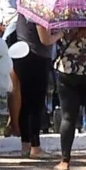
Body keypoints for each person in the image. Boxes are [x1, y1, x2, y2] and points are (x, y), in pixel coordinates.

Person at [39, 23, 86, 170]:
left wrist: (65, 33)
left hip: (67, 69)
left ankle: (65, 161)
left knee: (68, 117)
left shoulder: (63, 18)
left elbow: (49, 39)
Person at [0, 0, 30, 138]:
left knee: (12, 81)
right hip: (16, 31)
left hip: (4, 31)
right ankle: (16, 125)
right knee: (16, 82)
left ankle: (12, 121)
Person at [14, 12, 52, 159]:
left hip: (22, 56)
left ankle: (25, 144)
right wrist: (59, 35)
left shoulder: (22, 12)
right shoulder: (37, 12)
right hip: (37, 57)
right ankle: (35, 147)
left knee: (25, 103)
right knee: (36, 104)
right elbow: (45, 39)